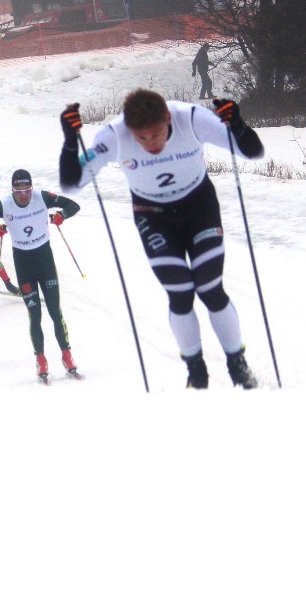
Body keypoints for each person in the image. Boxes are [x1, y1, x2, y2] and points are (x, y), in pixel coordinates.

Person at [58, 89, 265, 389]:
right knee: (180, 292)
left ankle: (237, 364)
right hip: (152, 216)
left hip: (198, 208)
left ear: (168, 118)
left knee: (209, 286)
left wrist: (238, 125)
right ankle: (196, 371)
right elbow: (72, 183)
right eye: (141, 138)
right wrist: (68, 141)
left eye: (156, 134)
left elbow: (252, 151)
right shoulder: (114, 134)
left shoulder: (191, 118)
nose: (149, 143)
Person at [0, 169, 81, 382]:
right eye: (19, 191)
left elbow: (73, 205)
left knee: (54, 310)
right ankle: (41, 359)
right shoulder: (4, 204)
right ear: (13, 190)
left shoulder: (41, 197)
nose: (24, 195)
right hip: (24, 265)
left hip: (45, 260)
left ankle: (67, 355)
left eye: (27, 190)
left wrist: (62, 215)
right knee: (35, 315)